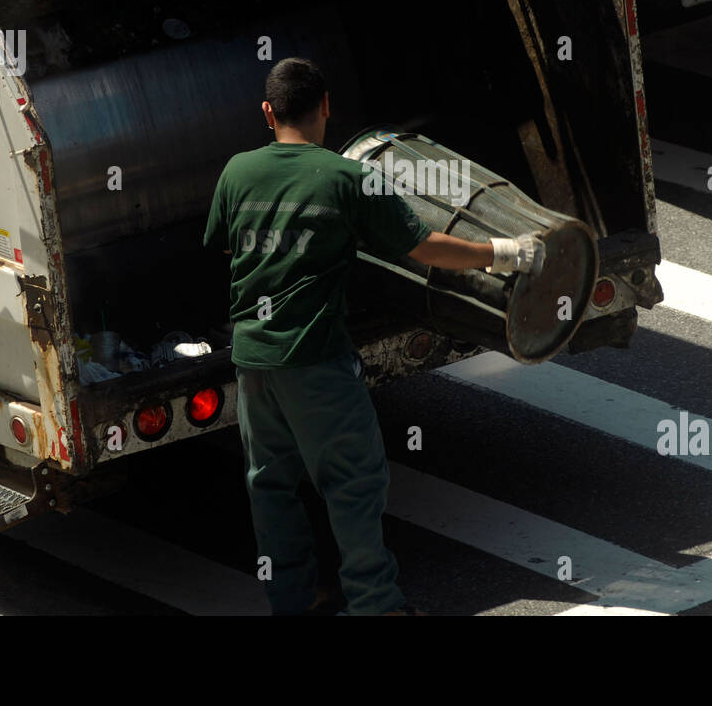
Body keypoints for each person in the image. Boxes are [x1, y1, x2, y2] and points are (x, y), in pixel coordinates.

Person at [203, 57, 543, 616]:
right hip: (314, 358)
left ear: (268, 112)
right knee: (354, 484)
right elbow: (426, 248)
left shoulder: (236, 171)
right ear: (327, 108)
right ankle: (375, 603)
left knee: (270, 486)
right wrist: (502, 252)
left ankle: (291, 601)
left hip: (254, 358)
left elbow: (226, 245)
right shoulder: (346, 177)